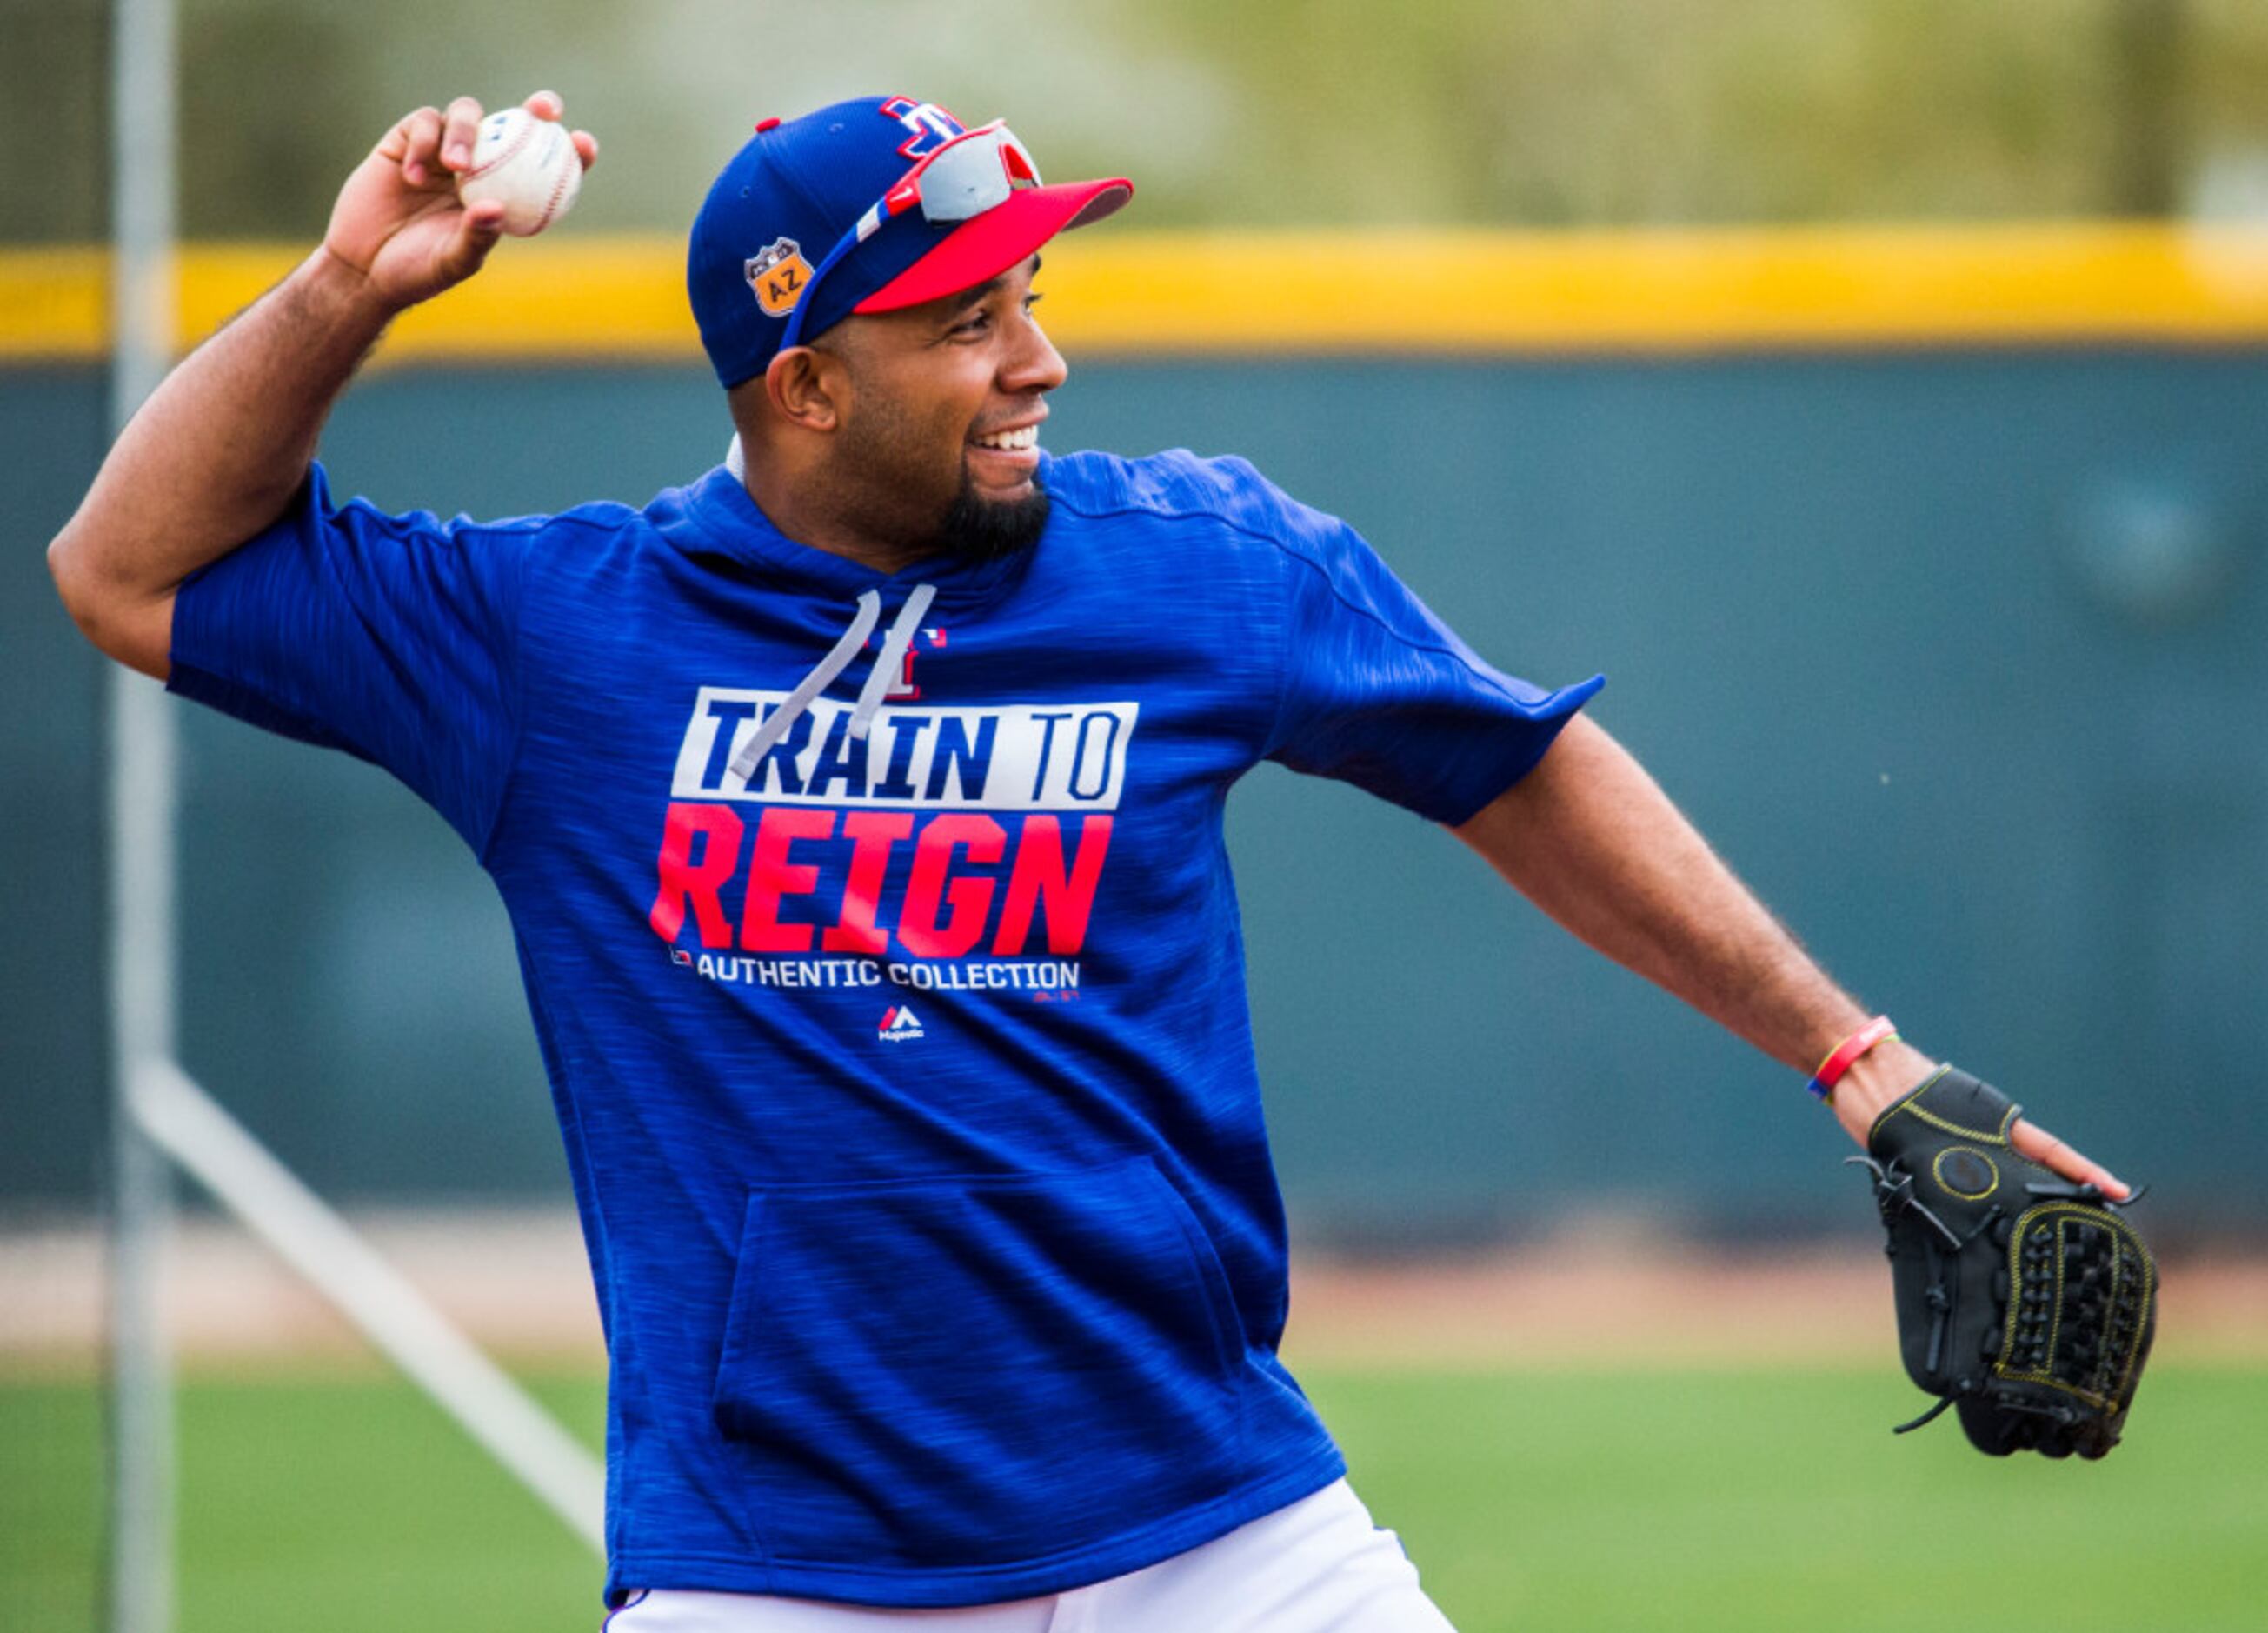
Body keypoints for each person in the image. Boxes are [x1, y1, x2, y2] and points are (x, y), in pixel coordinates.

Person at [49, 91, 2131, 1630]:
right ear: (803, 383)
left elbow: (1519, 765)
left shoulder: (1199, 563)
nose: (1039, 357)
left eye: (1034, 292)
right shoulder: (550, 646)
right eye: (969, 318)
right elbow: (125, 571)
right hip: (777, 1577)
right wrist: (344, 290)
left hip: (1217, 1531)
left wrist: (1854, 1058)